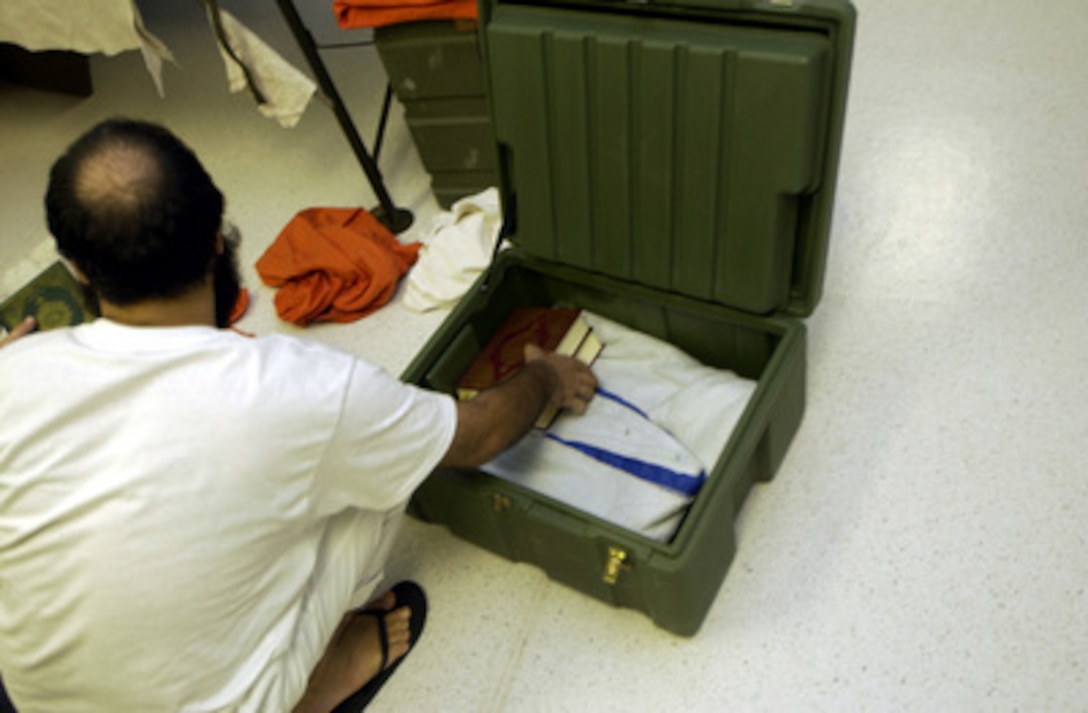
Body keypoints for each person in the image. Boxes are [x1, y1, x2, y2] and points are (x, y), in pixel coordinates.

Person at [0, 118, 597, 712]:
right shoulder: (305, 389)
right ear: (216, 238)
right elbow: (476, 435)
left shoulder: (13, 373)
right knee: (383, 468)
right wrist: (546, 374)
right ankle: (316, 681)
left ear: (76, 268)